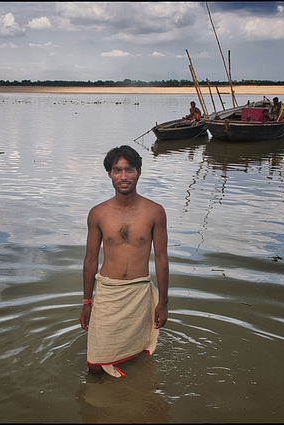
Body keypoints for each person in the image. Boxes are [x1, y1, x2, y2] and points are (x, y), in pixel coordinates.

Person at [79, 145, 169, 377]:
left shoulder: (155, 211)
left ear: (139, 171)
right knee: (94, 366)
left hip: (140, 292)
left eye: (129, 170)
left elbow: (161, 257)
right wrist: (87, 301)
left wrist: (163, 302)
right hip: (109, 292)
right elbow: (90, 259)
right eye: (117, 170)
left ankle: (132, 394)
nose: (124, 176)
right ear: (109, 173)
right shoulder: (98, 213)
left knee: (137, 351)